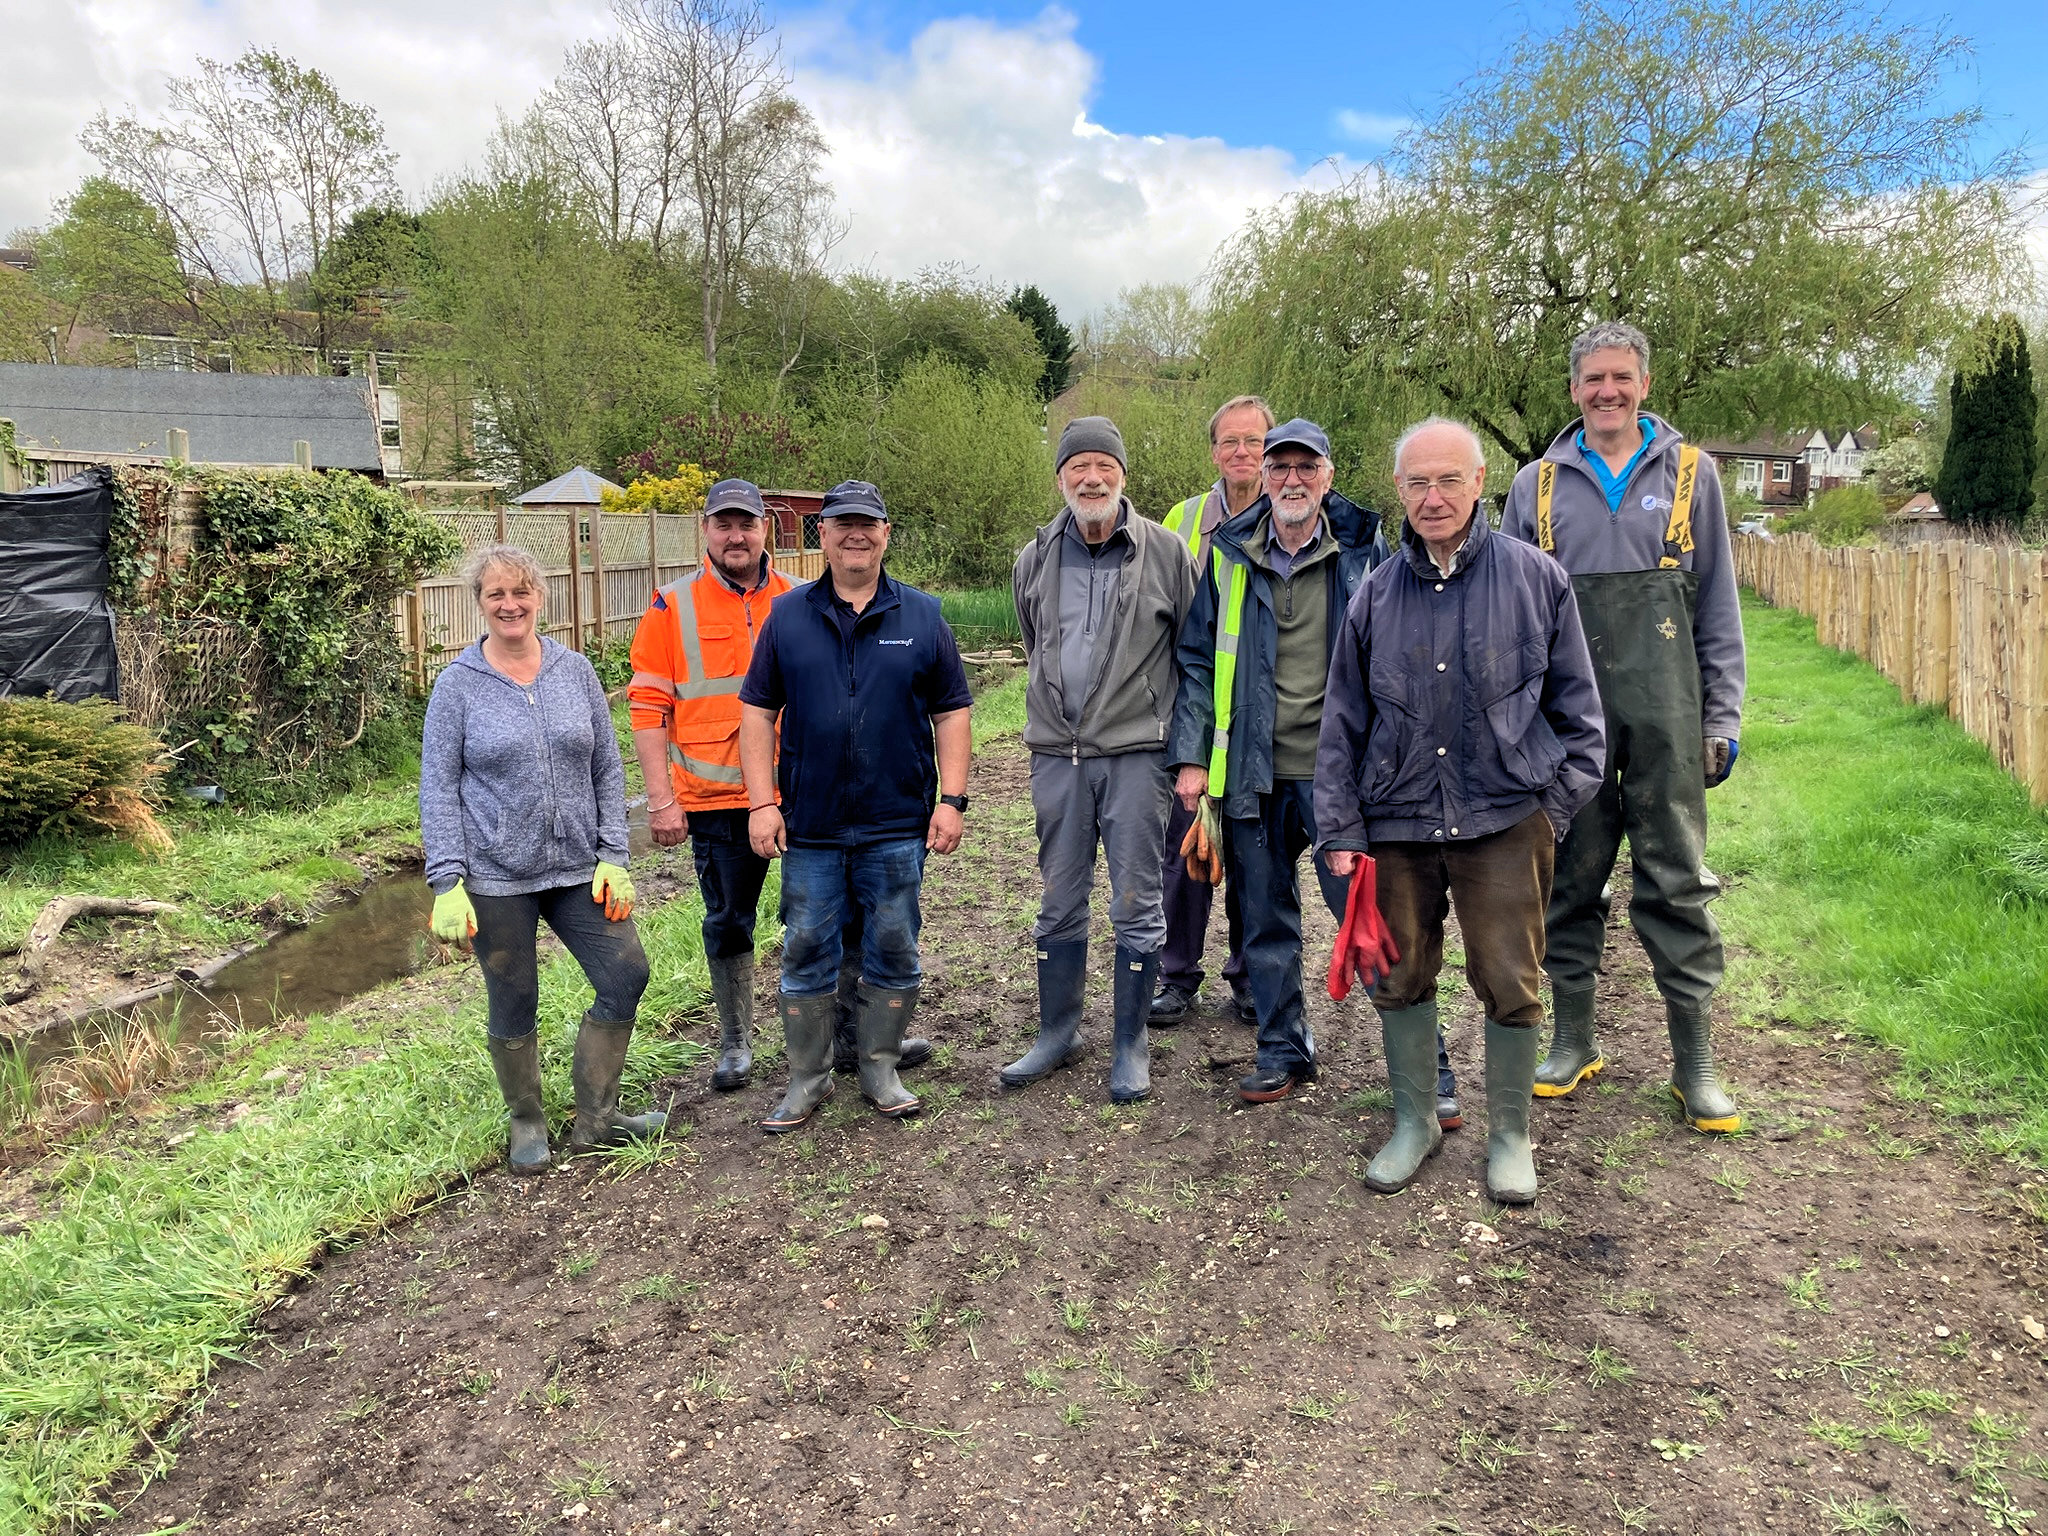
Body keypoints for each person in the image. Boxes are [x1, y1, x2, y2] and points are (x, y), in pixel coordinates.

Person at [1316, 419, 1605, 1203]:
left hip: (1505, 822)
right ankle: (1415, 1123)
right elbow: (1341, 724)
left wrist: (1548, 811)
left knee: (1511, 978)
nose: (1433, 497)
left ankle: (1510, 1136)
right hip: (1397, 822)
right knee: (1399, 976)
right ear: (1399, 490)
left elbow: (1581, 717)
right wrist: (1340, 827)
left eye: (1449, 480)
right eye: (1418, 482)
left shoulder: (1538, 580)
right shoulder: (1374, 595)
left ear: (1480, 483)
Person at [1499, 321, 1746, 1133]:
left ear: (1644, 384)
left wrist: (1722, 715)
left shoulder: (1692, 474)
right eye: (1593, 379)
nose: (1607, 391)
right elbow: (1510, 616)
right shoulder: (1534, 486)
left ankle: (1694, 1064)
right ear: (1573, 389)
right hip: (1566, 723)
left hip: (1667, 717)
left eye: (1621, 377)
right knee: (1567, 876)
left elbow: (1717, 607)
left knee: (1676, 879)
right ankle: (1573, 1039)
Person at [627, 480, 929, 1094]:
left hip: (804, 794)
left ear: (766, 527)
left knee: (838, 918)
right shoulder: (671, 606)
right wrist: (661, 800)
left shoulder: (802, 598)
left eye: (746, 524)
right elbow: (647, 707)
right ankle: (736, 1039)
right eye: (723, 524)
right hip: (718, 799)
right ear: (705, 531)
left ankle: (850, 1037)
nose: (736, 536)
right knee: (729, 920)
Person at [1168, 418, 1402, 1104]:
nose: (1292, 479)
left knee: (1369, 922)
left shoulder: (1364, 548)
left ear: (1328, 476)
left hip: (1341, 780)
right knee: (1266, 924)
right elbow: (1196, 660)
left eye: (1306, 467)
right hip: (1252, 771)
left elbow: (1397, 656)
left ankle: (1424, 1067)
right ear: (1264, 478)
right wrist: (1191, 759)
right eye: (1280, 468)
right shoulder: (1229, 553)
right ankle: (1282, 1049)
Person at [738, 481, 974, 1133]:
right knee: (806, 948)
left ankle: (879, 1066)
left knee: (893, 945)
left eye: (868, 523)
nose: (855, 535)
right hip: (810, 826)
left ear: (886, 533)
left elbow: (953, 712)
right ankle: (808, 1078)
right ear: (823, 535)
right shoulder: (787, 617)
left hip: (895, 824)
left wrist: (952, 799)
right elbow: (756, 713)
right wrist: (762, 803)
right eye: (842, 524)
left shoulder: (922, 616)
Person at [422, 544, 664, 1175]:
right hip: (496, 875)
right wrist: (447, 881)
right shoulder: (457, 686)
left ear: (540, 597)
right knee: (513, 996)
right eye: (496, 594)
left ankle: (598, 1118)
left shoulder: (574, 671)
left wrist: (614, 854)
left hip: (580, 869)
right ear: (479, 603)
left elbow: (607, 767)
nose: (511, 605)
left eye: (521, 592)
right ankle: (526, 1119)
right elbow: (438, 787)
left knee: (625, 974)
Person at [1002, 416, 1196, 1101]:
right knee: (1059, 898)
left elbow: (1193, 660)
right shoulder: (1033, 558)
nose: (1091, 478)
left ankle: (1129, 1043)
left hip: (1138, 755)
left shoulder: (1168, 554)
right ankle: (1058, 1032)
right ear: (1060, 478)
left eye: (1103, 466)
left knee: (1137, 901)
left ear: (1122, 474)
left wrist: (1189, 753)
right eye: (1077, 467)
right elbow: (1036, 643)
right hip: (1058, 757)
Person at [1150, 395, 1274, 1029]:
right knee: (1185, 851)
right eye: (1230, 441)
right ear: (1214, 451)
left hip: (1263, 715)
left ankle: (1250, 978)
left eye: (1254, 441)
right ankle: (1176, 976)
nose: (1242, 452)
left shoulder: (1292, 513)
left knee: (1253, 855)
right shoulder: (1185, 517)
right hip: (1194, 708)